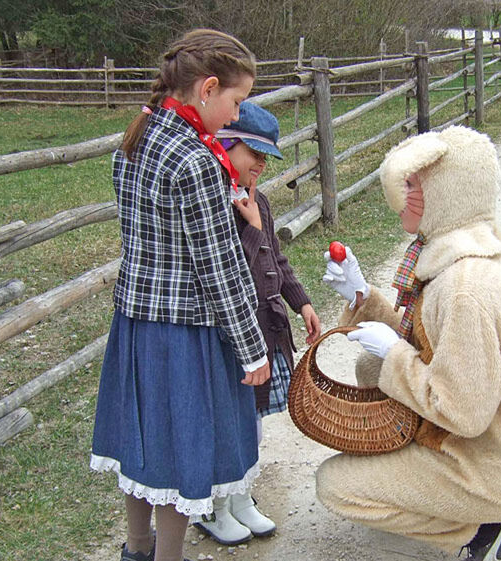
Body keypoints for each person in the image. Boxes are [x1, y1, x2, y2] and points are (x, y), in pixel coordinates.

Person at [317, 126, 501, 561]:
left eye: (414, 185)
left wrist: (394, 354)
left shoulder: (462, 288)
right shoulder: (468, 257)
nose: (401, 195)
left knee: (336, 485)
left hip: (497, 466)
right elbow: (433, 344)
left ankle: (482, 526)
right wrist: (363, 298)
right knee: (370, 368)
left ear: (445, 193)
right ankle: (464, 499)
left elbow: (462, 412)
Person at [89, 29, 271, 561]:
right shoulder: (196, 160)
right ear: (207, 88)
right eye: (236, 102)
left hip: (135, 325)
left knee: (144, 443)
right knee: (181, 451)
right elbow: (220, 267)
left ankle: (137, 549)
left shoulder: (136, 139)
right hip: (184, 332)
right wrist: (252, 348)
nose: (235, 116)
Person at [194, 102, 323, 543]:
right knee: (225, 422)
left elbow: (275, 259)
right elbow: (231, 270)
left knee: (252, 423)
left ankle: (241, 497)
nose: (262, 164)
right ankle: (213, 507)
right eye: (254, 153)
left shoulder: (258, 202)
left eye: (267, 156)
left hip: (266, 330)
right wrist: (249, 226)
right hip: (233, 335)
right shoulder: (218, 205)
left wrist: (301, 302)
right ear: (225, 145)